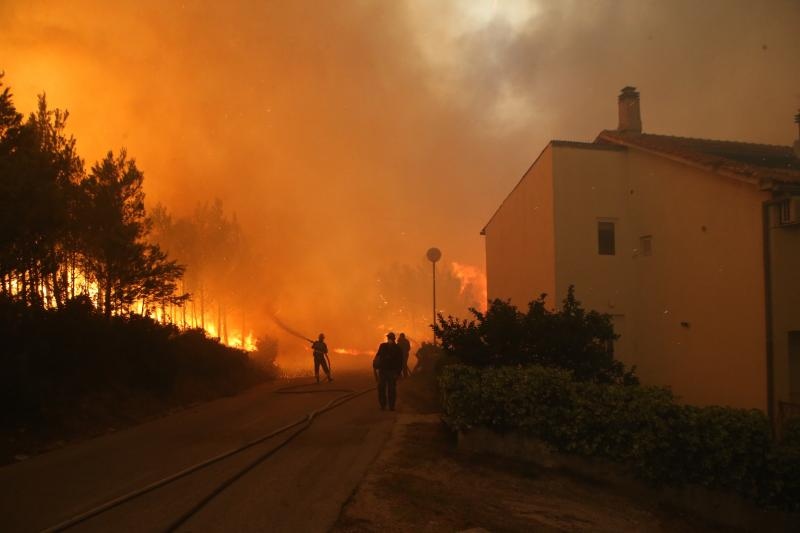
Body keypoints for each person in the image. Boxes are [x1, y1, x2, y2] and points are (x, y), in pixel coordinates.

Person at [373, 331, 403, 410]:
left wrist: (398, 373)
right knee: (381, 389)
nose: (389, 339)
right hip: (383, 371)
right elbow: (378, 356)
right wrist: (375, 365)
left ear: (394, 339)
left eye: (390, 338)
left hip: (392, 372)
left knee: (391, 390)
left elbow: (400, 362)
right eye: (389, 338)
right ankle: (383, 405)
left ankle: (391, 406)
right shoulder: (382, 346)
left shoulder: (397, 349)